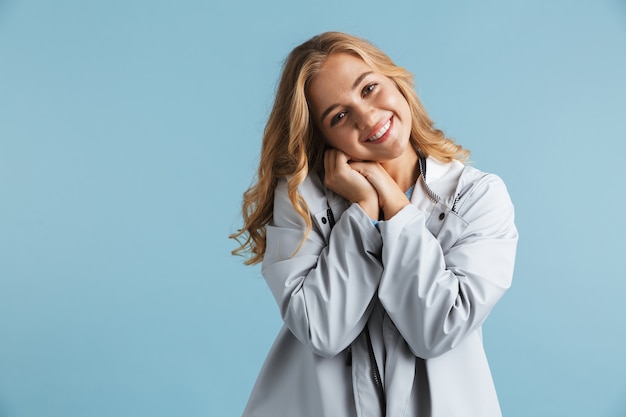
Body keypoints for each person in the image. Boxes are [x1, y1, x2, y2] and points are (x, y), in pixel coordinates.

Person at [230, 31, 518, 417]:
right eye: (339, 115)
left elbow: (437, 328)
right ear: (323, 136)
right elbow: (322, 330)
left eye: (368, 88)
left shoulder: (478, 197)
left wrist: (396, 208)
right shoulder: (302, 201)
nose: (367, 117)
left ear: (395, 81)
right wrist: (363, 211)